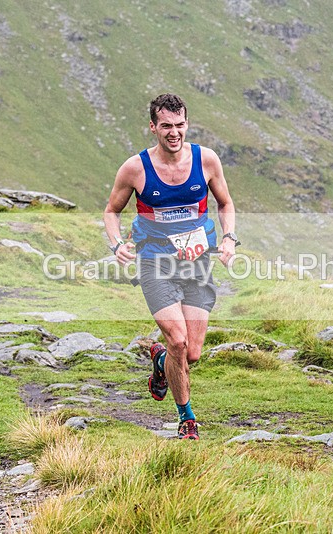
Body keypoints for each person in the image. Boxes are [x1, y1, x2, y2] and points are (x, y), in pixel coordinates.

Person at [103, 93, 238, 440]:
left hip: (197, 263)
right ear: (153, 127)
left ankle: (161, 363)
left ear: (187, 125)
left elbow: (225, 203)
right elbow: (111, 211)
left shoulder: (206, 160)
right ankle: (186, 418)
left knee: (190, 353)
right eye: (166, 126)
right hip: (155, 263)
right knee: (178, 341)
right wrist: (117, 244)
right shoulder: (135, 169)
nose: (173, 132)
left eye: (179, 125)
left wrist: (229, 238)